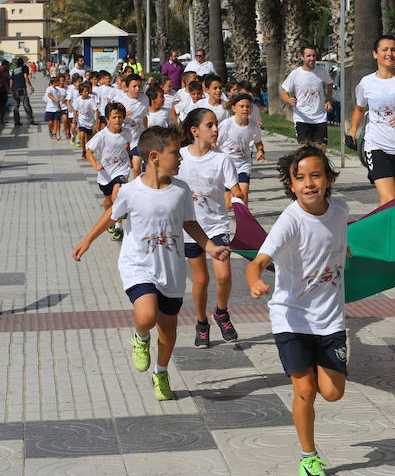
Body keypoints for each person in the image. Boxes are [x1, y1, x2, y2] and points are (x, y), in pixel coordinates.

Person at [72, 126, 231, 401]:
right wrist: (88, 240)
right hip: (138, 266)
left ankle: (161, 372)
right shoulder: (132, 191)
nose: (180, 157)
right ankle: (140, 337)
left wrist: (210, 246)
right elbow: (112, 215)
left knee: (168, 331)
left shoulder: (181, 190)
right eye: (175, 152)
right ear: (155, 156)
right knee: (146, 316)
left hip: (171, 270)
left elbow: (189, 222)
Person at [244, 146, 347, 476]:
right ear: (290, 184)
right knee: (305, 391)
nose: (308, 183)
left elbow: (337, 242)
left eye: (315, 175)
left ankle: (315, 367)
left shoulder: (341, 209)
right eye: (299, 178)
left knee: (332, 393)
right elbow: (259, 261)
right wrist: (254, 280)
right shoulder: (289, 220)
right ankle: (308, 456)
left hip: (330, 318)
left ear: (328, 179)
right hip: (290, 316)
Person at [179, 107, 246, 347]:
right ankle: (201, 323)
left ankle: (221, 312)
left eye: (216, 124)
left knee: (224, 275)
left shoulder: (222, 159)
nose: (216, 129)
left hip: (216, 225)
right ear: (195, 131)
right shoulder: (179, 157)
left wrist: (236, 198)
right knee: (201, 280)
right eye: (210, 125)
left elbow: (234, 190)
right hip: (190, 228)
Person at [350, 35, 395, 206]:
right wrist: (352, 130)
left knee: (394, 199)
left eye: (393, 49)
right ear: (375, 54)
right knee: (389, 198)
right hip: (376, 145)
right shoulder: (366, 83)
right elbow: (360, 108)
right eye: (385, 49)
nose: (389, 53)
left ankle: (385, 230)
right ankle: (386, 231)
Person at [85, 102, 131, 241]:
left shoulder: (127, 132)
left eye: (120, 117)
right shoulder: (101, 135)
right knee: (107, 201)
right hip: (105, 174)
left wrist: (129, 158)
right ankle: (109, 218)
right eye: (114, 117)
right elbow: (89, 152)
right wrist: (95, 165)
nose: (117, 120)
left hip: (121, 170)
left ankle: (118, 227)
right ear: (107, 119)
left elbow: (128, 147)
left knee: (116, 196)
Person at [281, 46, 334, 150]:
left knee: (321, 149)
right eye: (308, 56)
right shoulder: (295, 74)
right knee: (304, 149)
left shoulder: (321, 71)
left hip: (320, 117)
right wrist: (289, 100)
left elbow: (330, 83)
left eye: (314, 55)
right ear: (302, 57)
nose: (312, 58)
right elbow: (284, 93)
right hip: (302, 117)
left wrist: (328, 100)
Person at [218, 94, 265, 207]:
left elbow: (258, 142)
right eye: (242, 106)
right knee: (228, 204)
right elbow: (215, 142)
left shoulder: (254, 126)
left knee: (243, 197)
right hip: (227, 165)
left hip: (244, 163)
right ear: (234, 108)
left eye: (248, 106)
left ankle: (244, 221)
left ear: (251, 109)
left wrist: (260, 151)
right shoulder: (226, 124)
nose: (245, 109)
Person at [122, 75, 150, 178]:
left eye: (139, 86)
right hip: (124, 137)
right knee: (125, 169)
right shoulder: (120, 100)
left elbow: (145, 117)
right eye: (134, 86)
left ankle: (136, 190)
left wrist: (146, 132)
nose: (137, 89)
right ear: (127, 87)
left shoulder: (145, 98)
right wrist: (123, 115)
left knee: (137, 168)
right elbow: (111, 119)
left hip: (138, 137)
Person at [72, 82, 100, 159]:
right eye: (85, 91)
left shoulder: (91, 100)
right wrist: (74, 120)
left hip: (90, 122)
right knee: (82, 136)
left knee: (88, 139)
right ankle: (83, 151)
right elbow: (75, 110)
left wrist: (97, 121)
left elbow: (96, 111)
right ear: (81, 92)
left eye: (87, 91)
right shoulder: (78, 100)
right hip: (81, 122)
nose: (86, 93)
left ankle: (88, 151)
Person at [10, 57, 37, 126]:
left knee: (16, 106)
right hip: (22, 89)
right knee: (26, 105)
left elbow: (11, 81)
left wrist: (11, 90)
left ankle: (16, 121)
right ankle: (31, 120)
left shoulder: (14, 70)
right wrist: (30, 86)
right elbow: (26, 77)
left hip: (15, 90)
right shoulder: (24, 68)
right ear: (22, 63)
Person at [44, 76, 63, 140]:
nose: (59, 82)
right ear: (54, 82)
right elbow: (49, 95)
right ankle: (50, 131)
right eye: (58, 81)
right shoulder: (49, 88)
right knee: (50, 122)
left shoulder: (58, 90)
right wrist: (55, 99)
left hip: (56, 109)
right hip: (49, 109)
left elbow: (59, 99)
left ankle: (55, 133)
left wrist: (59, 106)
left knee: (56, 121)